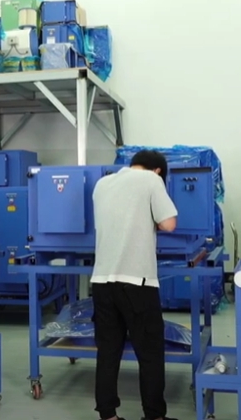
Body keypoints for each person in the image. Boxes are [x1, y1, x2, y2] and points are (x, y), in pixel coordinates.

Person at [91, 150, 179, 420]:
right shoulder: (151, 180)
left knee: (108, 351)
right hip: (136, 282)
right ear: (158, 170)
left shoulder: (102, 183)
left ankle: (108, 415)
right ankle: (154, 415)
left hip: (102, 280)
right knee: (150, 352)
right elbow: (169, 224)